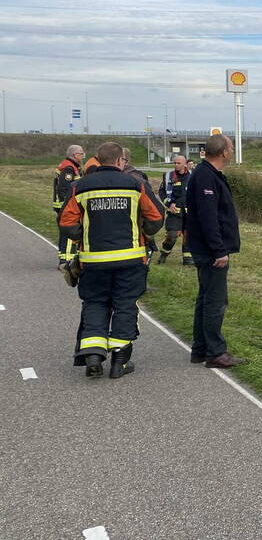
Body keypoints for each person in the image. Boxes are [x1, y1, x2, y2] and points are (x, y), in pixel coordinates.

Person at [58, 141, 165, 378]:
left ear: (97, 158)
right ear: (120, 161)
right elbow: (157, 217)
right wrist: (143, 233)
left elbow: (66, 222)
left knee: (95, 303)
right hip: (130, 259)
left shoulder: (80, 186)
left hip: (93, 260)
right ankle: (120, 362)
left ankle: (94, 355)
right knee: (125, 305)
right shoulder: (136, 184)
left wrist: (83, 238)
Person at [185, 134, 246, 368]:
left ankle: (200, 348)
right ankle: (215, 352)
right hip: (210, 251)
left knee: (206, 297)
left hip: (206, 248)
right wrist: (219, 250)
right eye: (231, 147)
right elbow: (208, 217)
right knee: (215, 301)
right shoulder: (205, 177)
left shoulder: (207, 174)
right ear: (224, 152)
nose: (231, 151)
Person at [53, 144, 85, 267]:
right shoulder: (69, 168)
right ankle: (66, 259)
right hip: (64, 205)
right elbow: (65, 188)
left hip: (61, 204)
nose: (82, 156)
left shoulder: (68, 165)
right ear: (74, 155)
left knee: (64, 231)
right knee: (68, 231)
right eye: (81, 154)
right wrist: (70, 204)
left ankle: (64, 256)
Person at [157, 154, 192, 265]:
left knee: (189, 236)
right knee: (172, 236)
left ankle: (187, 259)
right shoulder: (168, 176)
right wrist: (169, 204)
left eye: (178, 163)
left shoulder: (194, 175)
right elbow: (162, 192)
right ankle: (164, 253)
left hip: (190, 213)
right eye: (174, 163)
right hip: (174, 212)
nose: (176, 165)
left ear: (185, 164)